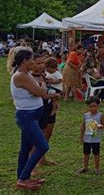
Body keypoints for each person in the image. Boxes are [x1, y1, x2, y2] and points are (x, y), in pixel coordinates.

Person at [10, 50, 61, 190]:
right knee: (43, 146)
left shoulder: (26, 74)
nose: (35, 63)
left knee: (25, 148)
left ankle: (23, 177)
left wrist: (42, 88)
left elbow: (39, 90)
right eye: (32, 60)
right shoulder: (21, 76)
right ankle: (23, 177)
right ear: (24, 61)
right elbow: (41, 93)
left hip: (31, 115)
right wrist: (52, 93)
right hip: (27, 116)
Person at [77, 96, 104, 174]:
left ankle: (97, 168)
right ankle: (85, 167)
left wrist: (99, 126)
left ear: (98, 106)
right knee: (86, 153)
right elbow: (83, 126)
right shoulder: (86, 115)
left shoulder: (100, 115)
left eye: (95, 106)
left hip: (96, 139)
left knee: (96, 153)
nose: (93, 108)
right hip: (87, 138)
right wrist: (81, 137)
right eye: (91, 106)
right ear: (88, 107)